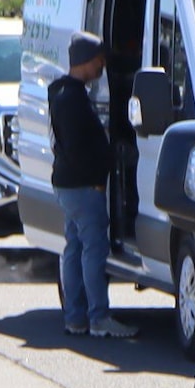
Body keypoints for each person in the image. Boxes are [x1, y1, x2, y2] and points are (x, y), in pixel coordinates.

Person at [50, 34, 134, 340]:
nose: (102, 66)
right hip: (83, 186)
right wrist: (97, 179)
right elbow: (74, 146)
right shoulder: (71, 98)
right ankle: (98, 317)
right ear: (85, 60)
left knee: (73, 248)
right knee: (93, 250)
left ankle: (75, 317)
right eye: (99, 60)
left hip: (68, 184)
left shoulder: (62, 92)